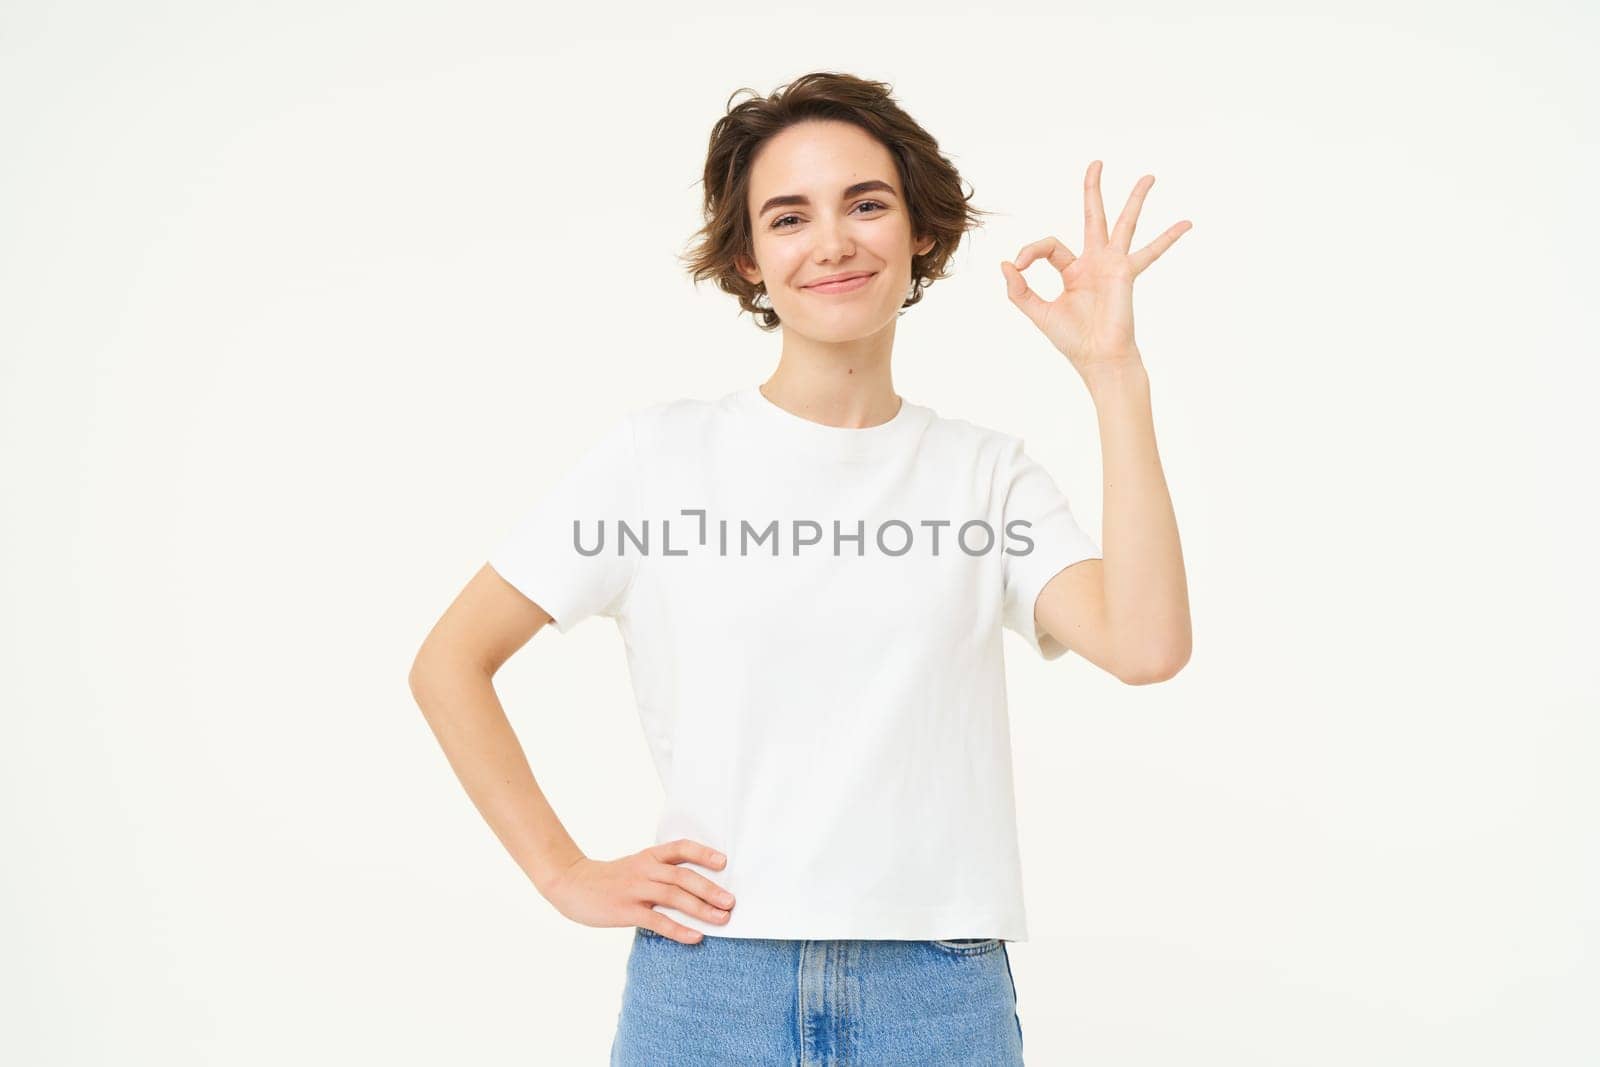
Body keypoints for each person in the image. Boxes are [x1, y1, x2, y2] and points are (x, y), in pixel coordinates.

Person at [408, 70, 1192, 1066]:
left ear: (919, 231)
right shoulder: (658, 458)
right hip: (709, 980)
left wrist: (1113, 372)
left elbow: (1146, 644)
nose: (830, 241)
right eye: (789, 216)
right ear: (747, 257)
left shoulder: (985, 474)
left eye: (866, 203)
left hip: (936, 987)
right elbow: (449, 661)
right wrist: (561, 870)